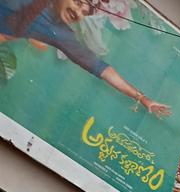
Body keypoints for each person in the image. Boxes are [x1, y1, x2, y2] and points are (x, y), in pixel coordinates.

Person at [0, 0, 170, 116]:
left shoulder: (59, 34)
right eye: (79, 2)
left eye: (85, 13)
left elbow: (102, 69)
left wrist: (142, 98)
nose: (78, 13)